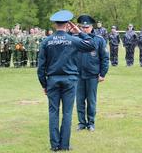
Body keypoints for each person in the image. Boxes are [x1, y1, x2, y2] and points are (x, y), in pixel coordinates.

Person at [37, 10, 96, 151]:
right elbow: (91, 44)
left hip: (52, 80)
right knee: (67, 113)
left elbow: (40, 67)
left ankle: (54, 145)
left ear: (55, 25)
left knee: (53, 112)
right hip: (70, 80)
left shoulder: (46, 41)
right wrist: (79, 32)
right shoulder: (73, 40)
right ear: (67, 24)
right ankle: (64, 145)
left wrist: (44, 84)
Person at [76, 15, 109, 132]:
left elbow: (105, 58)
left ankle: (91, 123)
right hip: (78, 75)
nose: (85, 29)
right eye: (82, 27)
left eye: (87, 27)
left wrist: (103, 74)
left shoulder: (99, 40)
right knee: (79, 100)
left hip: (92, 75)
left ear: (91, 27)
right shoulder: (76, 39)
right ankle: (81, 123)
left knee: (91, 100)